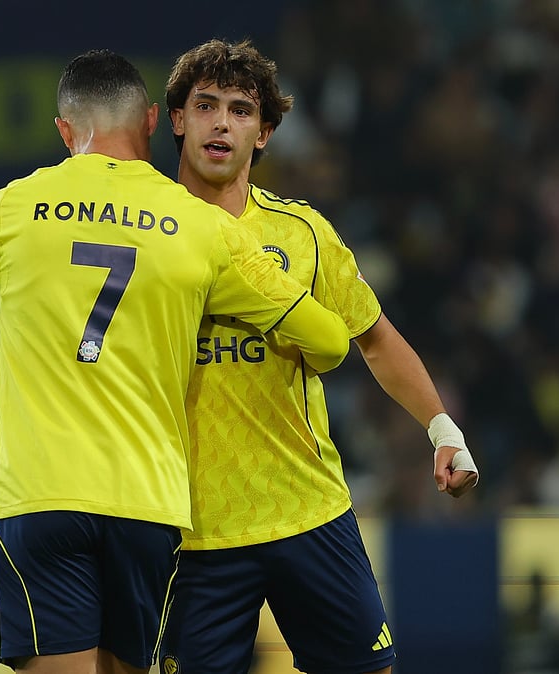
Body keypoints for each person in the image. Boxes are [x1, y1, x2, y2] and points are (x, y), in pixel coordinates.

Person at [0, 49, 352, 674]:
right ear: (151, 121)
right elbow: (330, 342)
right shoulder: (205, 229)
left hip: (41, 499)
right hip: (147, 509)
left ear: (65, 130)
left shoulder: (15, 206)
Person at [157, 39, 479, 674]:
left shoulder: (301, 233)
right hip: (190, 529)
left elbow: (376, 338)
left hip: (307, 510)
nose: (221, 123)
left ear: (266, 132)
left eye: (242, 110)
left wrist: (442, 429)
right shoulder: (141, 232)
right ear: (176, 120)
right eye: (205, 105)